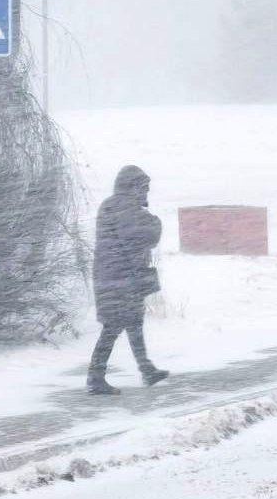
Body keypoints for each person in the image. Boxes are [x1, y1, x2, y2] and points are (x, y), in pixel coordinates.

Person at [88, 165, 169, 395]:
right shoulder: (123, 207)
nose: (146, 193)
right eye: (143, 188)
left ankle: (146, 369)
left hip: (119, 276)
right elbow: (142, 236)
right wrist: (154, 222)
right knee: (113, 327)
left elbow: (138, 236)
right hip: (119, 277)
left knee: (133, 322)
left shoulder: (116, 205)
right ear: (132, 187)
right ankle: (95, 377)